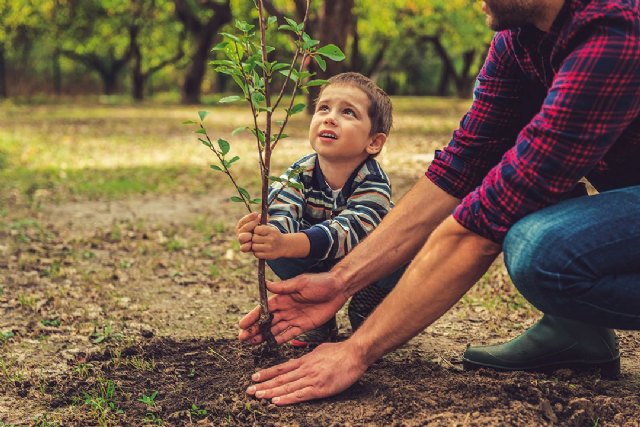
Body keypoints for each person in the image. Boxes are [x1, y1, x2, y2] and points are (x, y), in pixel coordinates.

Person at [237, 0, 640, 405]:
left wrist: (356, 350)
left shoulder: (615, 28)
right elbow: (461, 166)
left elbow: (484, 224)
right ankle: (578, 331)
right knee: (518, 175)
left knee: (543, 250)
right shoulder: (515, 41)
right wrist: (339, 281)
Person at [235, 72, 406, 347]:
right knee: (279, 251)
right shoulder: (301, 171)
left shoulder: (373, 181)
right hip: (317, 257)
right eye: (323, 108)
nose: (330, 117)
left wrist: (290, 243)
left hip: (367, 262)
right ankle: (319, 319)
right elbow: (281, 208)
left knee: (403, 252)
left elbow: (350, 232)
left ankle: (372, 300)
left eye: (348, 112)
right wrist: (268, 235)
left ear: (373, 142)